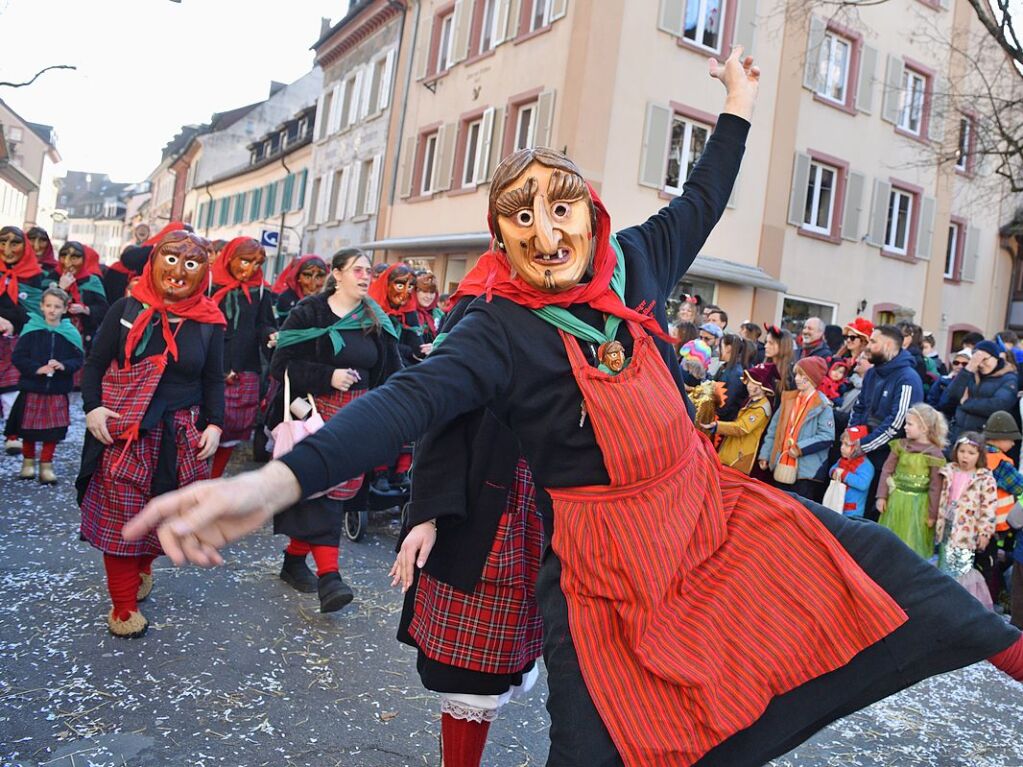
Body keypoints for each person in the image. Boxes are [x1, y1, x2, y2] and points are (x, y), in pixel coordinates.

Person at [127, 53, 1023, 766]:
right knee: (596, 741)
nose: (547, 234)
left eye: (563, 209)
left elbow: (704, 194)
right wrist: (278, 480)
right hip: (603, 570)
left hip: (710, 516)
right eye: (522, 219)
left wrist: (740, 104)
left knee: (883, 572)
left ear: (593, 215)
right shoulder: (495, 328)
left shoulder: (634, 265)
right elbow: (409, 401)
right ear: (499, 234)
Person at [393, 297, 543, 767]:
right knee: (470, 671)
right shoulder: (484, 308)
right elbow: (441, 414)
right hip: (485, 513)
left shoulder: (595, 317)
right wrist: (426, 514)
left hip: (559, 514)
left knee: (524, 662)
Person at [77, 230, 225, 637]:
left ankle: (142, 567)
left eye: (191, 263)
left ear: (203, 272)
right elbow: (95, 363)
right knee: (123, 516)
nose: (179, 271)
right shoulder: (126, 308)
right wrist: (92, 408)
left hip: (179, 432)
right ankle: (122, 607)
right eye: (171, 259)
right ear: (155, 260)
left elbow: (214, 379)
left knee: (164, 517)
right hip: (127, 431)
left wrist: (214, 424)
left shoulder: (210, 322)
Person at [270, 248, 401, 612]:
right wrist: (328, 376)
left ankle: (294, 560)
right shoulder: (308, 312)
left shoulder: (374, 317)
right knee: (322, 495)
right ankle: (330, 578)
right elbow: (280, 365)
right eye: (357, 270)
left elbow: (392, 371)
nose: (365, 277)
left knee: (337, 496)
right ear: (337, 273)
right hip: (313, 415)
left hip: (358, 420)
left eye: (369, 272)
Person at [208, 237, 277, 478]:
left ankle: (213, 479)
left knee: (233, 429)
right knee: (203, 426)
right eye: (245, 261)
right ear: (229, 258)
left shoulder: (260, 291)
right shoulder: (208, 286)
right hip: (210, 365)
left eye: (258, 264)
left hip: (246, 366)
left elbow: (264, 324)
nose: (251, 269)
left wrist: (272, 336)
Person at [6, 287, 84, 483]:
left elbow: (78, 359)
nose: (52, 310)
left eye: (57, 306)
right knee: (28, 430)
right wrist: (36, 369)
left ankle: (46, 465)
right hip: (33, 387)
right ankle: (28, 463)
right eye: (48, 305)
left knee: (52, 431)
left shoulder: (69, 332)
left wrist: (64, 365)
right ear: (41, 306)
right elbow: (18, 357)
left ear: (65, 309)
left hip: (56, 390)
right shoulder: (32, 330)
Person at [850, 325, 924, 520]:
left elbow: (897, 423)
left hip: (887, 459)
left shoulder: (907, 378)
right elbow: (860, 406)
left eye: (873, 342)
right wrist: (852, 435)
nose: (868, 347)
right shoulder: (873, 373)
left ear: (889, 345)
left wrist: (864, 444)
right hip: (861, 451)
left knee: (871, 516)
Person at [874, 403, 947, 559]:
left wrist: (932, 514)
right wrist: (882, 496)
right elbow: (887, 470)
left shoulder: (935, 454)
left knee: (911, 541)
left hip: (919, 506)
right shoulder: (900, 446)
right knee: (890, 539)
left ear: (924, 428)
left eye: (910, 424)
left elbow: (936, 486)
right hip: (896, 501)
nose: (905, 427)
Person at [758, 356, 834, 500]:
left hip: (805, 473)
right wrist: (766, 454)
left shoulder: (823, 406)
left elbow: (827, 436)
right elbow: (774, 429)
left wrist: (799, 448)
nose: (797, 378)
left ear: (812, 378)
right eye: (797, 374)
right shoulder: (788, 399)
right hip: (781, 464)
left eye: (801, 375)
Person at [937, 433, 998, 609]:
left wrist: (985, 532)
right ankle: (943, 600)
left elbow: (989, 507)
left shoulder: (984, 478)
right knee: (944, 563)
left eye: (971, 453)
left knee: (961, 568)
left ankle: (959, 603)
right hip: (947, 525)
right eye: (962, 451)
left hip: (967, 531)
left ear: (980, 455)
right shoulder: (949, 471)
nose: (965, 456)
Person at [0, 225, 46, 455]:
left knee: (12, 390)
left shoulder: (34, 275)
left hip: (15, 342)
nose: (7, 249)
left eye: (14, 243)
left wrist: (12, 322)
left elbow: (36, 312)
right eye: (3, 242)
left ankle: (12, 433)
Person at [979, 411, 1023, 607]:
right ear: (999, 439)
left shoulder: (975, 454)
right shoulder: (1003, 464)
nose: (1014, 444)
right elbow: (1020, 486)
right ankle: (995, 599)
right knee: (994, 563)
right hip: (1000, 524)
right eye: (1011, 439)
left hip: (976, 520)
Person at [941, 339, 1019, 444]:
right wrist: (968, 369)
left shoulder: (1008, 378)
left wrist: (966, 403)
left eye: (985, 359)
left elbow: (998, 405)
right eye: (977, 360)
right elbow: (952, 395)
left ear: (996, 358)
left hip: (982, 439)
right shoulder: (971, 373)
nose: (981, 364)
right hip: (958, 435)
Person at [704, 366, 773, 475]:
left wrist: (717, 426)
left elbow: (742, 427)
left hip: (739, 458)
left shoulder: (761, 409)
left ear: (763, 388)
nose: (750, 386)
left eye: (754, 383)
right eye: (749, 382)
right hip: (732, 453)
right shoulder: (751, 401)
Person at [368, 263, 429, 365]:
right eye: (400, 286)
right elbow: (379, 345)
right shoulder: (370, 308)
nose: (405, 292)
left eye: (410, 287)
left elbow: (417, 347)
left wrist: (428, 350)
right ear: (387, 284)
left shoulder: (409, 310)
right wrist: (408, 351)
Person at [55, 242, 109, 357]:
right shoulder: (52, 277)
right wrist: (61, 289)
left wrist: (86, 309)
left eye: (74, 258)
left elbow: (104, 309)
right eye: (63, 256)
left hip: (85, 338)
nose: (67, 262)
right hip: (56, 337)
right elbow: (44, 308)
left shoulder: (92, 281)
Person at [828, 426, 874, 518]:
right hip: (836, 505)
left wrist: (844, 475)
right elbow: (832, 470)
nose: (842, 448)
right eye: (842, 444)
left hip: (852, 511)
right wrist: (834, 472)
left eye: (846, 445)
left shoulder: (866, 465)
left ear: (857, 447)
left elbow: (863, 484)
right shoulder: (842, 460)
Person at [271, 254, 327, 324]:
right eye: (307, 276)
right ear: (297, 277)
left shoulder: (331, 300)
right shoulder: (286, 298)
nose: (313, 285)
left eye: (319, 276)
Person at [714, 332, 753, 421]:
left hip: (723, 421)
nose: (717, 350)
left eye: (720, 346)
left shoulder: (736, 373)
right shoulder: (726, 368)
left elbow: (728, 403)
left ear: (728, 348)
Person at [929, 349, 970, 420]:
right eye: (956, 362)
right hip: (940, 417)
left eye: (964, 364)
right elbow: (932, 400)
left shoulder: (972, 382)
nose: (960, 366)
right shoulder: (942, 380)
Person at [414, 269, 446, 344]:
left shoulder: (440, 315)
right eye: (424, 292)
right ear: (415, 292)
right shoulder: (406, 314)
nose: (428, 296)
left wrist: (434, 347)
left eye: (432, 292)